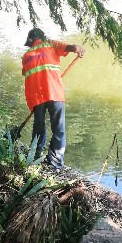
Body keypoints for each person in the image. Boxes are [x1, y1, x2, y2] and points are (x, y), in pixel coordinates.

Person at [21, 28, 85, 170]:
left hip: (36, 97)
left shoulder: (26, 56)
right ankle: (55, 165)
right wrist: (79, 49)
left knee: (39, 128)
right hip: (54, 93)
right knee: (58, 129)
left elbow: (26, 72)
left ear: (30, 40)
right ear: (42, 36)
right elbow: (72, 48)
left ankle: (35, 156)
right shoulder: (51, 44)